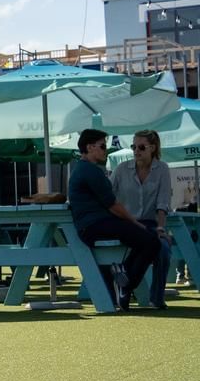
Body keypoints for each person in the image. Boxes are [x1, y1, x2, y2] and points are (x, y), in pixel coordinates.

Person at [68, 128, 162, 311]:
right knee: (152, 241)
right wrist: (135, 223)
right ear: (90, 147)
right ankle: (125, 283)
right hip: (96, 226)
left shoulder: (83, 169)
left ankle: (123, 278)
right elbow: (113, 206)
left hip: (92, 227)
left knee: (147, 240)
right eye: (103, 146)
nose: (106, 150)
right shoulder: (90, 171)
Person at [112, 129, 173, 309]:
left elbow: (163, 202)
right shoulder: (121, 169)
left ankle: (156, 298)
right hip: (125, 223)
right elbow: (108, 195)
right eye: (133, 146)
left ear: (153, 148)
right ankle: (125, 288)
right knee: (148, 243)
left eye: (141, 147)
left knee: (163, 248)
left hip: (149, 224)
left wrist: (161, 228)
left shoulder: (162, 169)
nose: (136, 151)